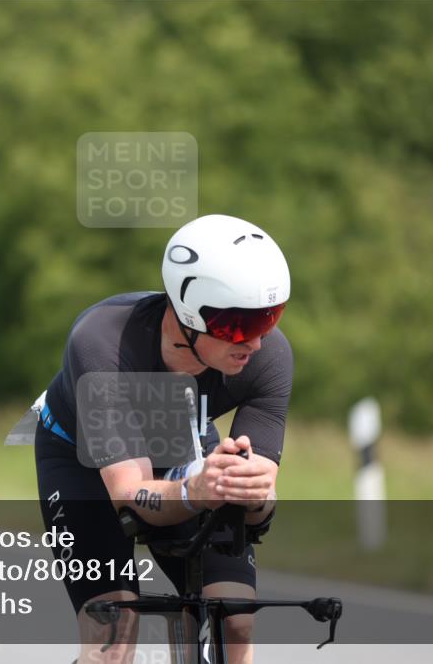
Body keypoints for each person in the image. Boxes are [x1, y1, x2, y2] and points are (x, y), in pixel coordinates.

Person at [35, 214, 292, 664]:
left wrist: (252, 492)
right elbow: (128, 497)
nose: (254, 343)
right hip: (85, 462)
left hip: (181, 440)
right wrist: (197, 490)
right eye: (238, 325)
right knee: (112, 638)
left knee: (237, 620)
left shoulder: (268, 356)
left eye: (269, 318)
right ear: (190, 313)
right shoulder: (102, 342)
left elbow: (259, 511)